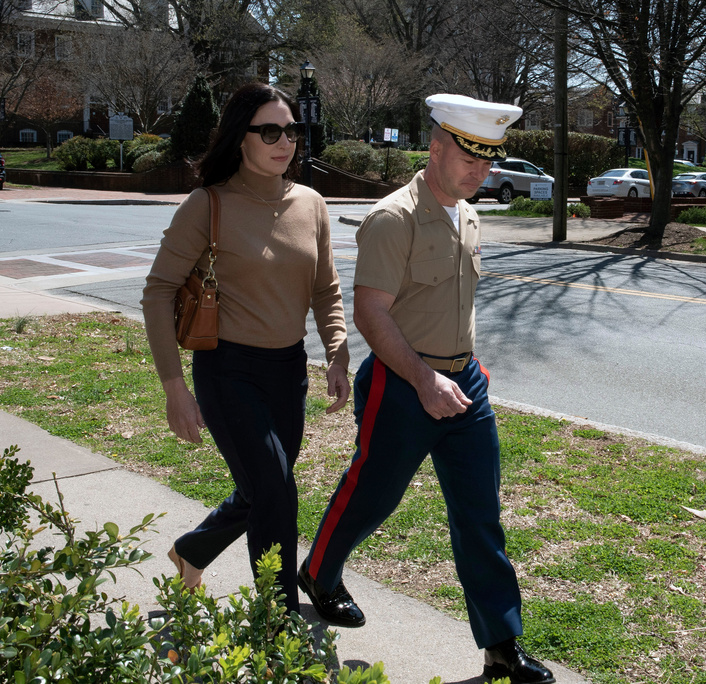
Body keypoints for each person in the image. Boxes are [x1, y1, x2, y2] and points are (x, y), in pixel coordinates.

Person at [299, 94, 555, 684]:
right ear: (436, 146)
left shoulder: (467, 212)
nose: (481, 171)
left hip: (464, 385)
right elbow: (371, 315)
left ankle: (500, 646)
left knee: (479, 515)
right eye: (470, 158)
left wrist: (467, 369)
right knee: (374, 495)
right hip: (402, 383)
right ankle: (319, 570)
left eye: (489, 162)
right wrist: (423, 377)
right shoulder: (395, 218)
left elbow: (452, 304)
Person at [141, 82, 350, 615]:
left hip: (289, 372)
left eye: (292, 131)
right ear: (241, 139)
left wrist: (338, 350)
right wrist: (174, 388)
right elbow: (158, 290)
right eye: (271, 131)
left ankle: (191, 551)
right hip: (228, 371)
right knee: (276, 493)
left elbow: (325, 287)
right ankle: (276, 623)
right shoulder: (207, 205)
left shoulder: (312, 203)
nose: (286, 142)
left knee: (265, 488)